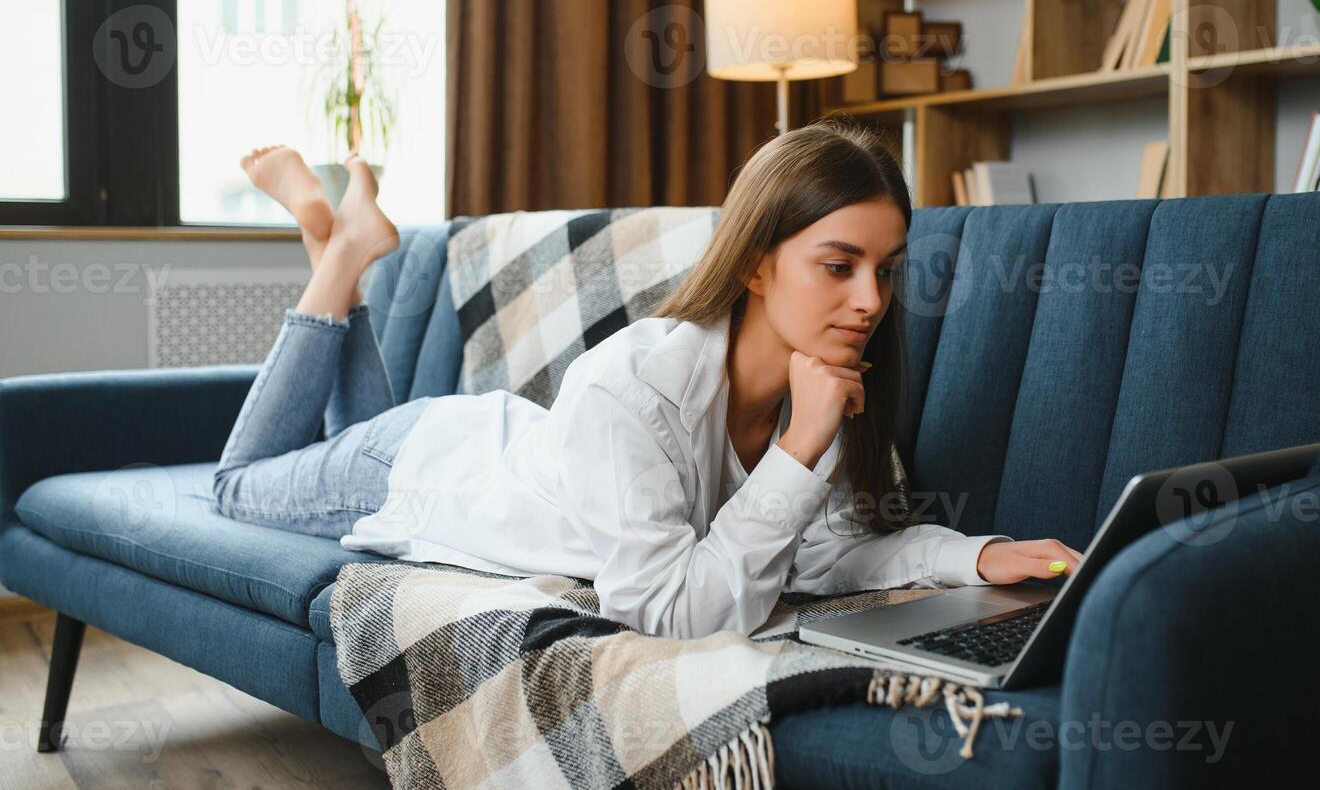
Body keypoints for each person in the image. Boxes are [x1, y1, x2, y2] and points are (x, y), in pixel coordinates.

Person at [214, 120, 1082, 639]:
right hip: (418, 465)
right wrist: (799, 447)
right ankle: (340, 256)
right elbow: (670, 615)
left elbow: (841, 550)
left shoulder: (828, 384)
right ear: (752, 265)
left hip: (477, 435)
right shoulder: (629, 385)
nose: (870, 302)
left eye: (886, 270)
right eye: (838, 265)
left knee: (340, 427)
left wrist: (980, 555)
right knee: (236, 487)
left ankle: (335, 242)